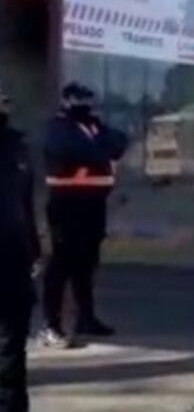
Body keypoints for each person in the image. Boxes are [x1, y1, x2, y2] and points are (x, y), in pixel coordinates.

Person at [39, 83, 128, 348]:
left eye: (88, 100)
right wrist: (99, 152)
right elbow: (74, 151)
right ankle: (51, 324)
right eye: (80, 100)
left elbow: (119, 142)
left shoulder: (94, 127)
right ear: (67, 101)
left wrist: (98, 150)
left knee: (86, 265)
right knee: (61, 265)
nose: (86, 105)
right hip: (67, 205)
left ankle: (86, 318)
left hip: (94, 205)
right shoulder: (57, 128)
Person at [0, 86, 39, 412]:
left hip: (13, 259)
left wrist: (34, 250)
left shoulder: (18, 147)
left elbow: (25, 205)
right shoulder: (17, 149)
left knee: (11, 349)